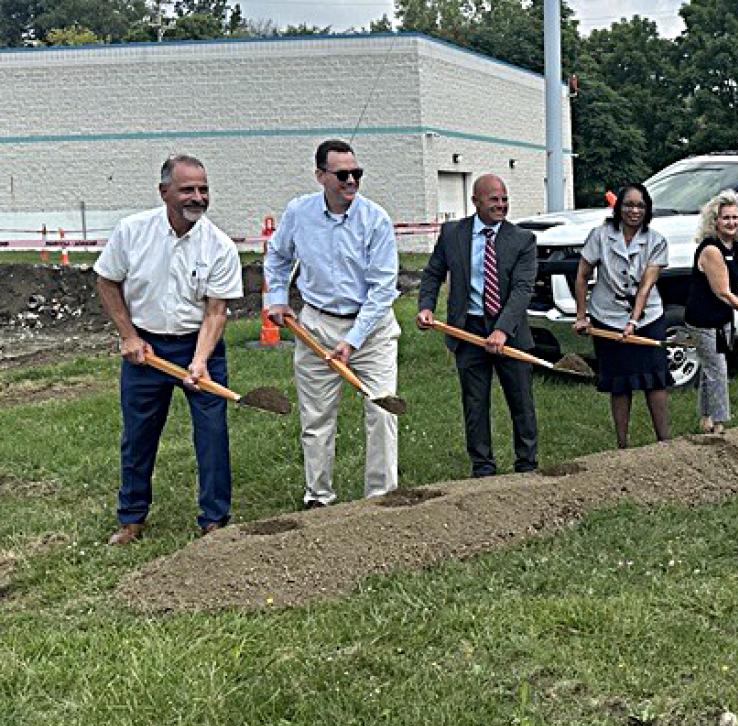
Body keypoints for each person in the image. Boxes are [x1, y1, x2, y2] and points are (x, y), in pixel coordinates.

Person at [94, 155, 243, 545]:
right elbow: (107, 282)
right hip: (146, 349)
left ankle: (214, 520)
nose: (198, 197)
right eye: (188, 189)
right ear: (164, 192)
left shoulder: (220, 246)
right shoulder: (132, 232)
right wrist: (128, 336)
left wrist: (199, 362)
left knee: (212, 435)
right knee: (138, 436)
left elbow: (216, 310)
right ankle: (131, 519)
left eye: (203, 189)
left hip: (200, 347)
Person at [265, 139, 400, 506]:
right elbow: (277, 256)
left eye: (357, 173)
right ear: (321, 176)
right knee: (316, 417)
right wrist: (276, 298)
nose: (351, 181)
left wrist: (353, 341)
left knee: (382, 409)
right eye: (342, 174)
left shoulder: (376, 219)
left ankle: (380, 497)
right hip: (317, 327)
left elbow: (382, 289)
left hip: (371, 331)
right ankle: (319, 496)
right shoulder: (299, 213)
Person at [416, 174, 538, 477]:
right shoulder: (453, 234)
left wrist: (502, 329)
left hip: (510, 332)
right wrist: (426, 307)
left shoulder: (522, 240)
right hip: (467, 329)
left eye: (504, 199)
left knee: (521, 401)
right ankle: (482, 467)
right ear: (475, 201)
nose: (501, 205)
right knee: (475, 403)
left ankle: (527, 464)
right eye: (494, 199)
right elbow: (433, 274)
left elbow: (523, 289)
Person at [571, 183, 671, 449]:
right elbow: (582, 276)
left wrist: (633, 322)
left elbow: (646, 287)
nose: (634, 211)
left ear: (647, 210)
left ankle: (665, 442)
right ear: (619, 207)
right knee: (619, 382)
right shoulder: (600, 235)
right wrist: (581, 315)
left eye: (640, 206)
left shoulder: (657, 241)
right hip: (606, 315)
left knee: (655, 378)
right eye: (628, 205)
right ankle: (622, 446)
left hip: (648, 317)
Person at [684, 190, 738, 434]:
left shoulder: (735, 244)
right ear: (715, 222)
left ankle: (706, 419)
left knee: (711, 368)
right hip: (703, 319)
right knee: (718, 369)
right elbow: (722, 292)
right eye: (725, 218)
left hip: (722, 318)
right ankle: (720, 425)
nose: (731, 222)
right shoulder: (711, 249)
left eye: (735, 217)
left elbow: (736, 275)